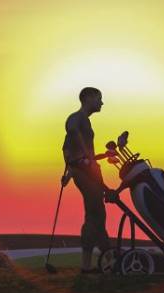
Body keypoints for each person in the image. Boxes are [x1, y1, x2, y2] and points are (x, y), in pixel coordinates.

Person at [60, 87, 119, 273]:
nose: (101, 102)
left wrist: (96, 157)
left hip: (88, 171)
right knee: (96, 215)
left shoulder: (85, 121)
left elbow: (71, 150)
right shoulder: (75, 118)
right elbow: (70, 140)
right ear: (88, 98)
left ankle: (97, 261)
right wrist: (81, 162)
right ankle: (104, 259)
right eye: (99, 98)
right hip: (85, 173)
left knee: (96, 215)